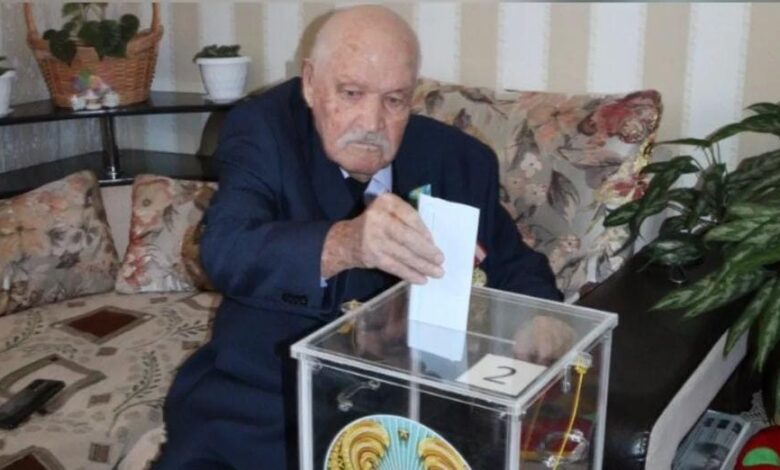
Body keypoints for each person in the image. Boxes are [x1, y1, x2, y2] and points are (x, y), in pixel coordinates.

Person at [155, 5, 561, 470]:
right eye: (351, 93)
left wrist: (541, 317)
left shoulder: (459, 161)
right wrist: (346, 243)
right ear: (311, 83)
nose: (371, 122)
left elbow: (513, 263)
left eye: (394, 100)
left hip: (412, 410)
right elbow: (227, 248)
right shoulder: (264, 131)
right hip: (271, 401)